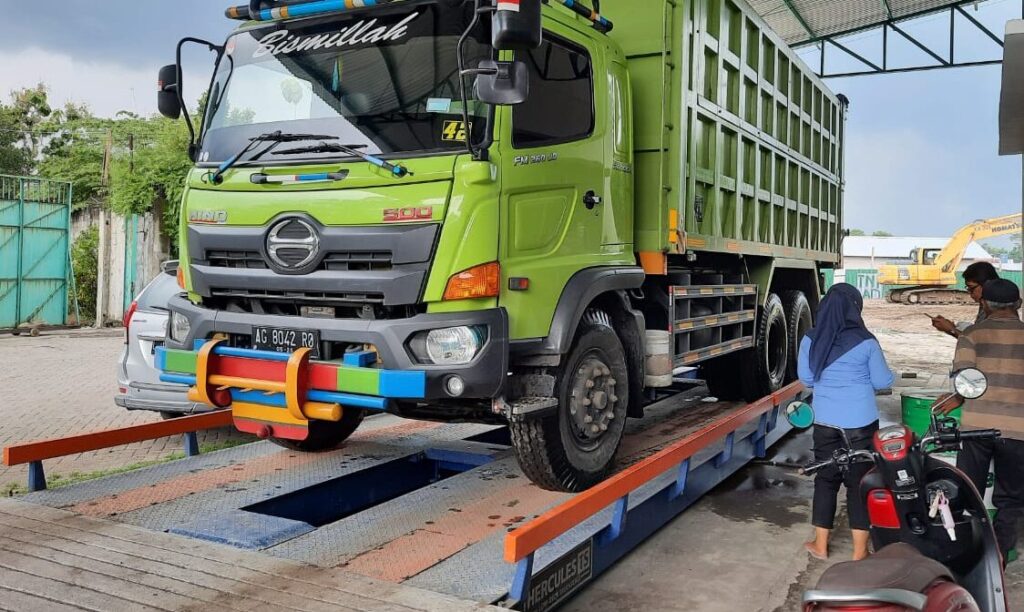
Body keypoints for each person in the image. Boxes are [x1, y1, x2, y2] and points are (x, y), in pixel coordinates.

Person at [798, 283, 895, 561]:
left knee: (826, 480)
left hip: (826, 421)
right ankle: (859, 552)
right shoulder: (866, 341)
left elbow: (806, 379)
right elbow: (882, 380)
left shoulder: (810, 339)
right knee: (859, 483)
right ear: (856, 307)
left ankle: (820, 545)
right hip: (861, 423)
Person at [948, 278, 1024, 565]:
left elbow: (965, 383)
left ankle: (968, 553)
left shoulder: (972, 335)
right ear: (1018, 304)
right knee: (1011, 498)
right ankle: (1001, 556)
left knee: (969, 491)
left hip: (976, 428)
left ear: (984, 304)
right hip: (1019, 430)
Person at [931, 261, 1000, 338]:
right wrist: (952, 328)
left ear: (986, 285)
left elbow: (980, 342)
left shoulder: (997, 308)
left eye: (971, 288)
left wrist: (951, 329)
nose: (970, 292)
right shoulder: (986, 304)